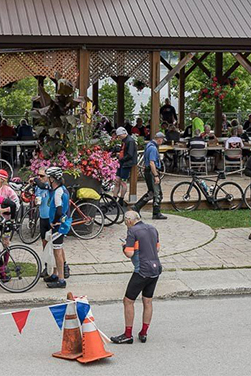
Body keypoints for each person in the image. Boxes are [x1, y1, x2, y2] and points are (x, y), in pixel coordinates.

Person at [110, 210, 162, 344]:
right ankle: (144, 333)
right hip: (155, 270)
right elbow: (157, 249)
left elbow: (129, 253)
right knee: (148, 301)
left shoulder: (132, 231)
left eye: (125, 222)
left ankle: (128, 335)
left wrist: (124, 247)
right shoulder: (153, 228)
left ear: (128, 220)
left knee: (128, 301)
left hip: (141, 271)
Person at [34, 166, 71, 288]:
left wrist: (54, 222)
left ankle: (61, 279)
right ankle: (55, 274)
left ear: (53, 179)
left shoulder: (58, 192)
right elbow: (42, 185)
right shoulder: (59, 189)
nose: (48, 180)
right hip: (61, 224)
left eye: (49, 177)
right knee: (55, 250)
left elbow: (59, 211)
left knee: (57, 252)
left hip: (59, 225)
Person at [134, 132, 167, 220]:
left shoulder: (148, 145)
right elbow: (152, 163)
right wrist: (156, 175)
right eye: (162, 139)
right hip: (152, 172)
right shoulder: (153, 148)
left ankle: (136, 207)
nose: (162, 141)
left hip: (148, 171)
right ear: (159, 139)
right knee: (157, 193)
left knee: (151, 192)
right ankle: (156, 213)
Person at [0, 169, 20, 253]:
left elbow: (17, 205)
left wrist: (4, 210)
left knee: (5, 242)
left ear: (2, 179)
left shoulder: (8, 190)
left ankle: (5, 264)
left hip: (7, 221)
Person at [115, 127, 136, 205]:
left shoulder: (130, 141)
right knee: (117, 180)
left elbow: (130, 154)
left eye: (119, 135)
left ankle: (121, 198)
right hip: (122, 163)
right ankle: (114, 197)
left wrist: (122, 159)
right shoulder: (124, 141)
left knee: (123, 182)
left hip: (126, 164)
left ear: (123, 134)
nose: (119, 137)